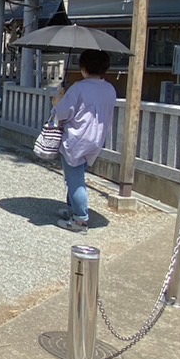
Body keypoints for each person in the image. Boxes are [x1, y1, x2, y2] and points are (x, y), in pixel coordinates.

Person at [51, 48, 118, 234]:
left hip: (77, 138)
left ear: (84, 67)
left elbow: (63, 112)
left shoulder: (79, 88)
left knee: (75, 178)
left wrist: (58, 101)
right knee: (77, 174)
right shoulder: (109, 89)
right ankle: (73, 209)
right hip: (96, 138)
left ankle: (80, 219)